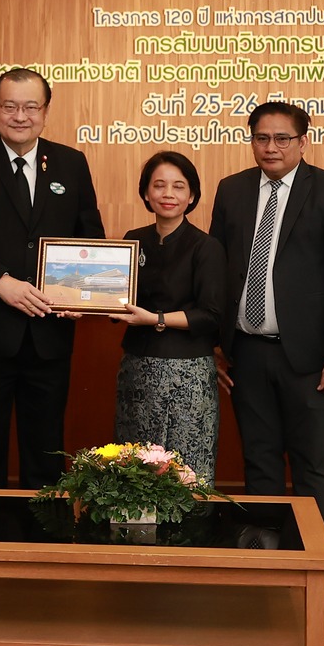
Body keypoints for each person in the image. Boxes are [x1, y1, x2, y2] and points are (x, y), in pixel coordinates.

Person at [0, 68, 104, 489]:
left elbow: (90, 238)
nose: (20, 116)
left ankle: (41, 531)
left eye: (31, 107)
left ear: (45, 111)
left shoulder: (71, 162)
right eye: (10, 106)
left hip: (49, 332)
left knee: (46, 452)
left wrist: (82, 294)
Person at [208, 100, 324, 526]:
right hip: (246, 353)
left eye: (282, 138)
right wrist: (215, 343)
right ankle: (269, 558)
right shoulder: (232, 189)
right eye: (262, 138)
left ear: (303, 142)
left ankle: (314, 563)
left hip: (308, 359)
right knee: (259, 462)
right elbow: (216, 272)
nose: (271, 147)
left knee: (312, 466)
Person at [112, 151, 225, 479]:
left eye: (178, 186)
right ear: (146, 193)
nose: (168, 194)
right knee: (133, 470)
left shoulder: (206, 246)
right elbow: (117, 302)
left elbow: (210, 315)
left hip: (187, 375)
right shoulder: (134, 240)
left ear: (192, 196)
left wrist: (156, 319)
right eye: (159, 185)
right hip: (136, 370)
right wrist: (78, 305)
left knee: (185, 471)